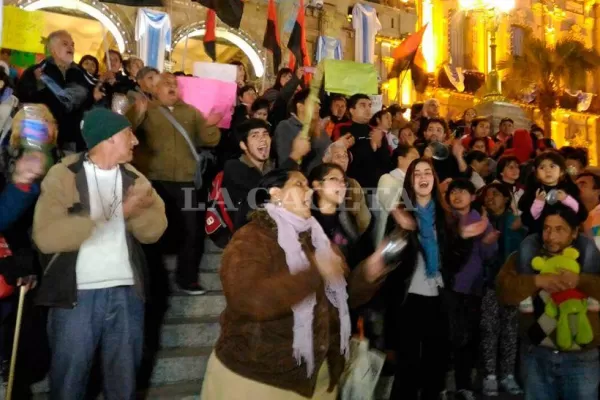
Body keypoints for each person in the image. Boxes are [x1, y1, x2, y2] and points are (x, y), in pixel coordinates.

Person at [201, 168, 390, 400]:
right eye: (300, 184)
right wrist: (314, 272)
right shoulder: (252, 238)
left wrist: (368, 274)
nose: (309, 190)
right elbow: (249, 300)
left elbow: (342, 298)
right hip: (258, 380)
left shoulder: (319, 241)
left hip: (318, 382)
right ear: (276, 194)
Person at [32, 108, 167, 400]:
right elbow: (46, 237)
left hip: (127, 295)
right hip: (76, 297)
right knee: (69, 384)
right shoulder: (64, 175)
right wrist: (117, 211)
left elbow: (154, 231)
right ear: (108, 138)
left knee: (124, 385)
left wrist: (136, 212)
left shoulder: (135, 178)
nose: (135, 141)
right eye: (128, 134)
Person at [384, 158, 488, 400]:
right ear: (410, 180)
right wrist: (403, 233)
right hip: (407, 299)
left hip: (439, 298)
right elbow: (390, 263)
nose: (422, 177)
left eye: (427, 172)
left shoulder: (446, 216)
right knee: (407, 369)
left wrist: (463, 238)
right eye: (417, 173)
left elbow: (452, 265)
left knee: (436, 368)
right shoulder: (401, 213)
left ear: (434, 178)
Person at [129, 72, 222, 294]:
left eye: (174, 84)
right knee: (152, 230)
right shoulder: (145, 109)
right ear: (155, 89)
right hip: (154, 181)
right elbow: (125, 131)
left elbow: (209, 139)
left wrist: (210, 125)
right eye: (165, 84)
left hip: (185, 181)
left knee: (192, 231)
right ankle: (149, 281)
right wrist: (137, 113)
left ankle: (187, 279)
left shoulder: (191, 112)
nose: (171, 87)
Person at [497, 206, 600, 399]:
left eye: (559, 229)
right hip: (536, 355)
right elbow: (504, 292)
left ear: (574, 232)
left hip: (582, 358)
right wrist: (537, 281)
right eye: (546, 228)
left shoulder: (592, 259)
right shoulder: (523, 259)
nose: (551, 235)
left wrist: (580, 281)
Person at [445, 179, 498, 400]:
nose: (457, 196)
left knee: (468, 337)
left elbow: (489, 256)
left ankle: (464, 384)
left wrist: (487, 243)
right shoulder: (445, 220)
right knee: (448, 336)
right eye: (453, 192)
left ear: (472, 196)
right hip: (448, 287)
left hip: (472, 288)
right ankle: (445, 383)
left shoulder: (480, 220)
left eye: (463, 192)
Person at [479, 182, 525, 396]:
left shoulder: (516, 223)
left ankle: (507, 375)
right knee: (489, 329)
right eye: (487, 195)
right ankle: (490, 375)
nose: (490, 198)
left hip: (512, 284)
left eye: (496, 194)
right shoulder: (480, 222)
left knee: (509, 330)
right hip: (488, 283)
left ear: (507, 198)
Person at [16, 30, 96, 152]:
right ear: (52, 49)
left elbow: (89, 102)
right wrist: (37, 84)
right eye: (65, 44)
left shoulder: (81, 73)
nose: (71, 47)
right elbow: (22, 99)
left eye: (72, 44)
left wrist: (95, 96)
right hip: (42, 139)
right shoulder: (36, 71)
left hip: (73, 141)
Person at [518, 151, 587, 235]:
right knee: (526, 247)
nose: (548, 171)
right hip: (539, 235)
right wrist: (538, 203)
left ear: (561, 171)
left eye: (552, 166)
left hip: (566, 236)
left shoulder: (569, 190)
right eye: (542, 167)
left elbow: (581, 214)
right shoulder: (533, 192)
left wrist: (567, 199)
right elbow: (527, 220)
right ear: (537, 174)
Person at [374, 144, 419, 246]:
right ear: (400, 159)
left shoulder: (415, 183)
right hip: (390, 241)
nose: (418, 162)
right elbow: (392, 205)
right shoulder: (387, 178)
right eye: (414, 157)